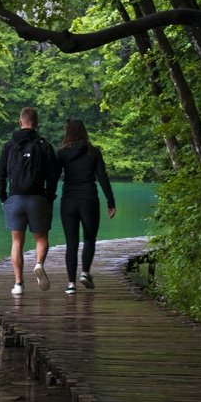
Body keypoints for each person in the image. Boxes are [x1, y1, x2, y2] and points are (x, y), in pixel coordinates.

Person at [0, 107, 60, 295]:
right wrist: (49, 196)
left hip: (14, 199)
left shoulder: (9, 145)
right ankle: (39, 263)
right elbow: (53, 175)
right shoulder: (44, 145)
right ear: (36, 123)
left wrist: (3, 197)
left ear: (20, 122)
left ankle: (19, 284)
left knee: (17, 242)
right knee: (41, 238)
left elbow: (0, 174)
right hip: (38, 198)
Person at [56, 118, 116, 295]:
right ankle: (85, 272)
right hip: (89, 199)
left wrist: (48, 196)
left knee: (71, 244)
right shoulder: (94, 152)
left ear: (67, 132)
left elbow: (53, 176)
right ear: (84, 131)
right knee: (89, 239)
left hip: (68, 200)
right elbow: (103, 178)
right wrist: (110, 202)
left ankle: (71, 285)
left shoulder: (62, 154)